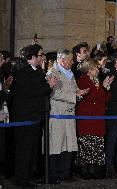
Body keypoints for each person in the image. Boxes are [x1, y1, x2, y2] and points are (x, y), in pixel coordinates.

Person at [11, 44, 56, 187]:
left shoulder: (37, 71)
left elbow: (43, 90)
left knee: (33, 149)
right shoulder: (21, 71)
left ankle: (30, 175)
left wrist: (49, 86)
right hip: (24, 117)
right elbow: (32, 91)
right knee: (24, 149)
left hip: (36, 116)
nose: (43, 57)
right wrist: (48, 86)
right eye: (41, 55)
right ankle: (21, 179)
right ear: (32, 58)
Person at [47, 49, 89, 184]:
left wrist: (80, 92)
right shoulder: (52, 73)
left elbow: (74, 89)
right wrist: (74, 96)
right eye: (70, 60)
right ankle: (54, 174)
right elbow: (54, 93)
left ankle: (65, 173)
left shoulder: (70, 73)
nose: (73, 62)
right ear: (62, 60)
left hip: (70, 114)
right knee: (56, 145)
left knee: (69, 144)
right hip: (58, 114)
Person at [76, 58, 113, 179]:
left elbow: (106, 98)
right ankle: (84, 169)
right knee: (86, 144)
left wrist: (106, 87)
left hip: (98, 117)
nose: (98, 70)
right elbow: (92, 96)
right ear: (89, 70)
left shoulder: (97, 80)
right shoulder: (83, 80)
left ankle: (94, 168)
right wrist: (102, 87)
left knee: (97, 145)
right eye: (95, 68)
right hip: (88, 118)